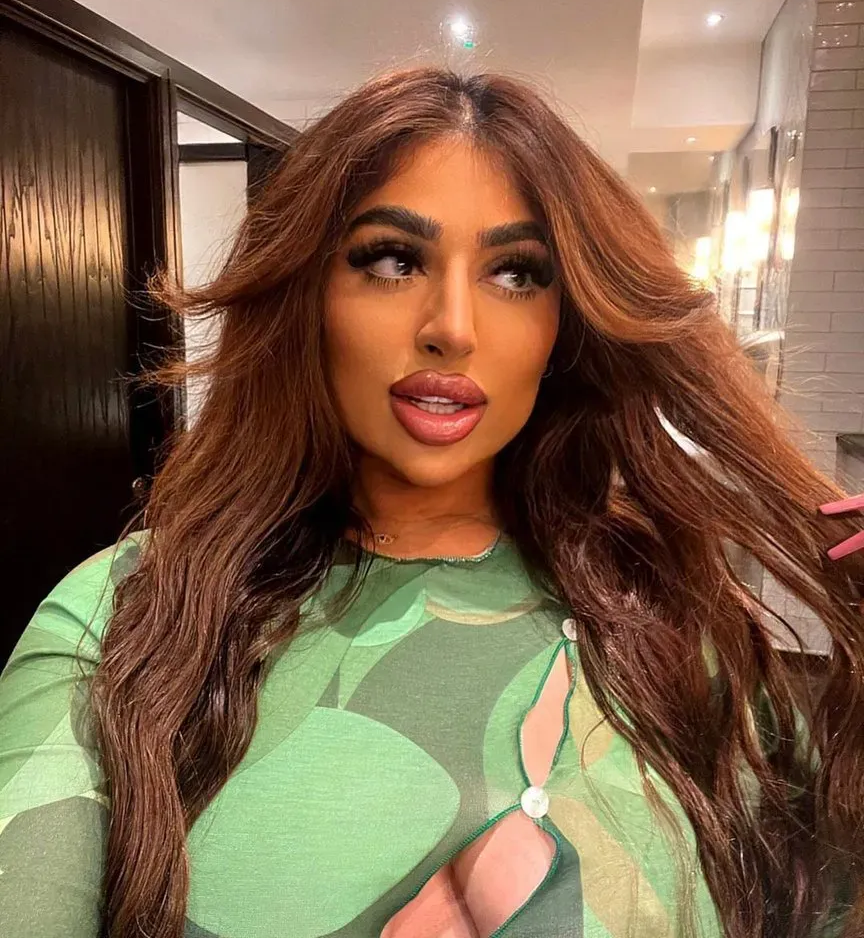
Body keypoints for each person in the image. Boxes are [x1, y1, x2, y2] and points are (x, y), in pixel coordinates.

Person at [1, 68, 863, 938]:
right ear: (307, 296)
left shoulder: (680, 628)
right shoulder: (127, 621)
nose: (452, 325)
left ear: (564, 327)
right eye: (392, 260)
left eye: (516, 274)